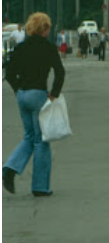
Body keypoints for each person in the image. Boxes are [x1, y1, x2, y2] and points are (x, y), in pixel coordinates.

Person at [3, 12, 65, 197]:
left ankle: (10, 168)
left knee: (29, 136)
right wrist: (53, 94)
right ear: (44, 29)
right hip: (38, 94)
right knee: (41, 140)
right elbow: (60, 73)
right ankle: (40, 186)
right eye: (48, 27)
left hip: (22, 95)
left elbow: (9, 72)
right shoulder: (49, 48)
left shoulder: (21, 47)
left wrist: (18, 90)